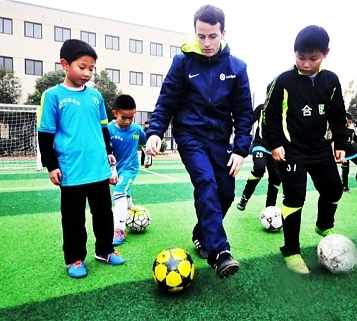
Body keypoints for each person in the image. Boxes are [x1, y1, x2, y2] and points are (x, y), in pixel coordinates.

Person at [145, 4, 253, 279]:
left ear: (223, 33)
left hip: (220, 140)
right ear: (195, 32)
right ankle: (219, 253)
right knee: (205, 181)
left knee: (225, 193)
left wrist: (241, 149)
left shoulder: (237, 68)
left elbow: (243, 113)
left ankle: (201, 233)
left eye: (212, 36)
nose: (206, 43)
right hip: (190, 135)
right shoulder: (182, 62)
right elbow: (166, 99)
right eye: (201, 36)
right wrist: (155, 131)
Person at [261, 25, 348, 275]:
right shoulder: (283, 81)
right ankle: (291, 249)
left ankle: (323, 224)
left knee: (333, 190)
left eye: (313, 58)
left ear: (326, 54)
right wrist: (275, 143)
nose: (306, 63)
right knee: (295, 198)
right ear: (294, 52)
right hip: (291, 150)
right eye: (301, 57)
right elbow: (269, 115)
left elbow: (338, 114)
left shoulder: (331, 80)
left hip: (320, 148)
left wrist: (340, 143)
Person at [37, 39, 124, 279]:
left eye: (91, 68)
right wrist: (51, 165)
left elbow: (103, 128)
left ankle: (105, 250)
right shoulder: (53, 96)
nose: (87, 73)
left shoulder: (96, 96)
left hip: (98, 168)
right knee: (74, 219)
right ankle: (74, 259)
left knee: (104, 214)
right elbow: (45, 133)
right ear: (65, 64)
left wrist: (109, 153)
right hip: (71, 170)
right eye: (82, 67)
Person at [108, 94, 147, 245]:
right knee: (124, 192)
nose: (128, 121)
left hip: (130, 168)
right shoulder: (108, 130)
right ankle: (130, 208)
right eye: (124, 117)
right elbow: (106, 152)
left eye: (132, 117)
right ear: (115, 113)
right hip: (113, 167)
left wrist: (148, 158)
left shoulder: (137, 129)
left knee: (119, 193)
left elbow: (144, 144)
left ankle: (119, 230)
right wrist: (112, 170)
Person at [237, 85, 281, 211]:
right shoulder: (261, 108)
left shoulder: (283, 112)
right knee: (259, 168)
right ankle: (245, 197)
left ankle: (270, 208)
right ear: (267, 94)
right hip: (260, 145)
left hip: (275, 149)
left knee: (276, 178)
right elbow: (248, 122)